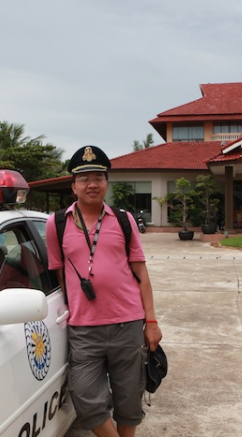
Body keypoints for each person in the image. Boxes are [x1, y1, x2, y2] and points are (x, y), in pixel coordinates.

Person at [45, 145, 162, 437]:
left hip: (128, 322)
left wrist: (151, 321)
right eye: (84, 179)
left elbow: (141, 273)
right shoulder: (56, 224)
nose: (92, 184)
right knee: (86, 398)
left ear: (107, 183)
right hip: (84, 329)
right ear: (73, 186)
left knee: (129, 398)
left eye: (98, 177)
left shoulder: (124, 220)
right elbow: (59, 274)